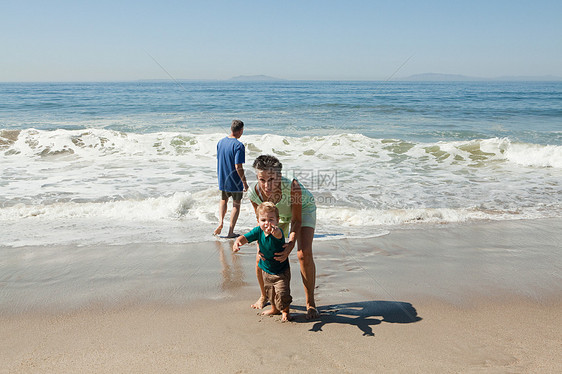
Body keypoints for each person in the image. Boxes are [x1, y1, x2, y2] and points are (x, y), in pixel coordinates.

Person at [248, 155, 318, 320]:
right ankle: (264, 296)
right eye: (262, 179)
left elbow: (296, 220)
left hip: (302, 211)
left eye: (271, 179)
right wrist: (261, 246)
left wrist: (291, 244)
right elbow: (261, 223)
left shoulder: (293, 187)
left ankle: (311, 303)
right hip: (275, 217)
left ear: (279, 176)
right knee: (261, 256)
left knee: (303, 253)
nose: (267, 185)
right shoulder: (254, 193)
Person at [233, 202, 292, 321]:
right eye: (263, 220)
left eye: (271, 219)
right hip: (266, 269)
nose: (267, 223)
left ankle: (285, 311)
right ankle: (275, 308)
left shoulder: (278, 232)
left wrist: (275, 231)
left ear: (277, 220)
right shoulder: (258, 231)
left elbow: (278, 234)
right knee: (270, 292)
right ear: (258, 221)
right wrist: (238, 242)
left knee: (282, 292)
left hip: (281, 271)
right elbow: (245, 237)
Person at [214, 120, 249, 238]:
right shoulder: (238, 145)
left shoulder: (220, 142)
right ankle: (230, 232)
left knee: (223, 200)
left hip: (223, 178)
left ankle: (220, 223)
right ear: (240, 130)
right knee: (236, 205)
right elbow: (238, 166)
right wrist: (244, 182)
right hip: (234, 180)